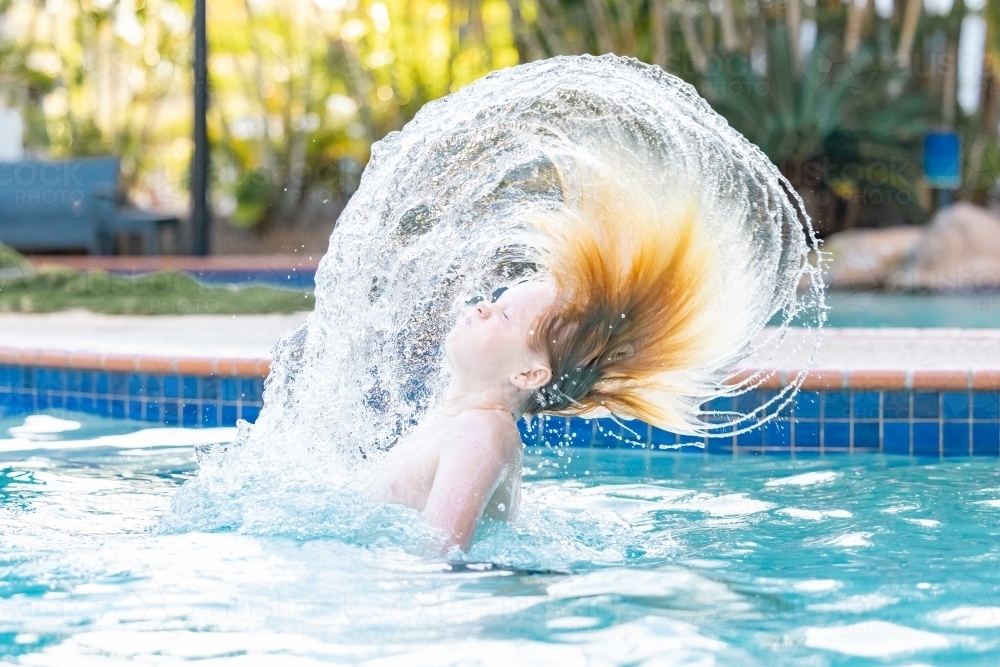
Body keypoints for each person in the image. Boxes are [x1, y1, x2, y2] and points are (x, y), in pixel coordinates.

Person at [374, 148, 751, 552]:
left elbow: (438, 557)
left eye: (503, 316)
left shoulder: (479, 431)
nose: (482, 306)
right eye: (495, 302)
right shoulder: (460, 422)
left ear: (529, 374)